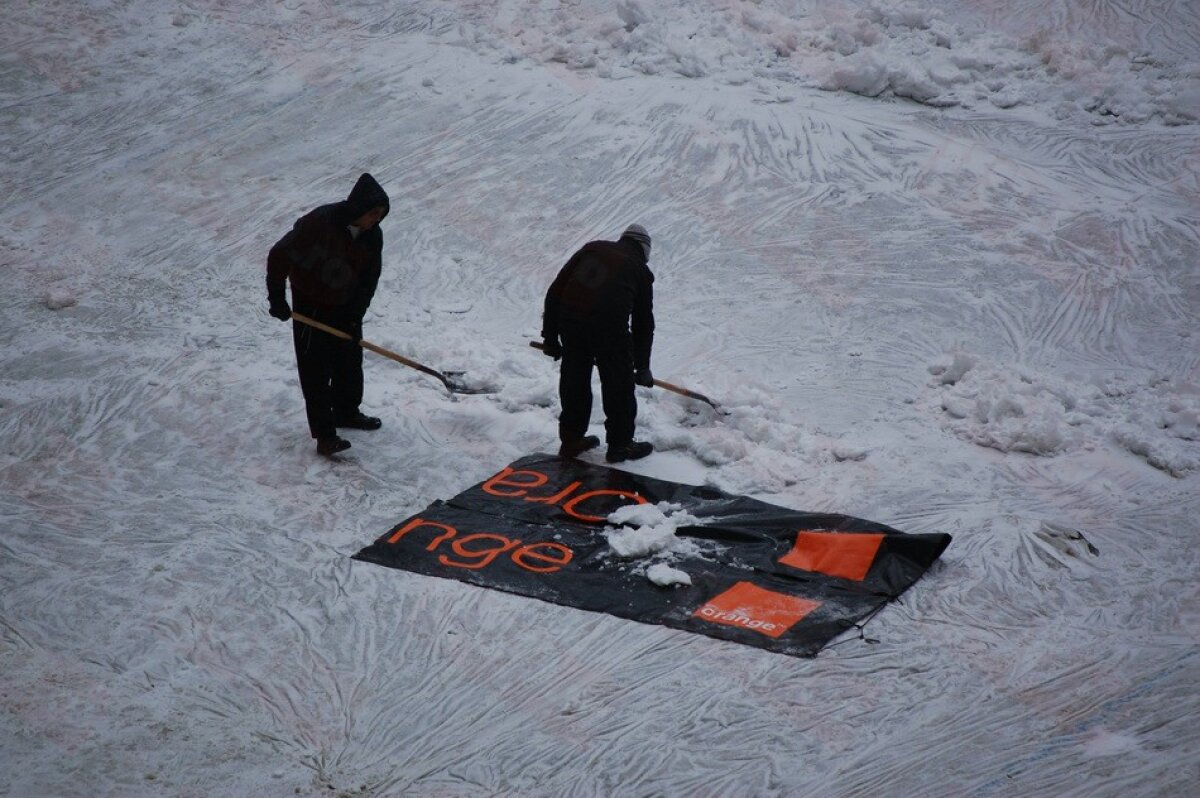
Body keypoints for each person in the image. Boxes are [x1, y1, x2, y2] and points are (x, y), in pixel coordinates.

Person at [266, 173, 389, 457]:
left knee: (349, 360)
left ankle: (346, 411)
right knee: (315, 370)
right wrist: (277, 298)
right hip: (311, 305)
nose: (376, 220)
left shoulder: (373, 236)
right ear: (359, 208)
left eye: (380, 216)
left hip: (346, 305)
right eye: (373, 214)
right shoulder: (317, 223)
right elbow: (279, 254)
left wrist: (356, 314)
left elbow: (370, 278)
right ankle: (324, 436)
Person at [541, 223, 656, 463]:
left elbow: (555, 292)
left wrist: (550, 337)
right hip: (610, 329)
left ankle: (571, 440)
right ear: (644, 250)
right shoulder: (639, 270)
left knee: (575, 378)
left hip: (571, 322)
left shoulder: (591, 249)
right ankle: (620, 446)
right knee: (619, 384)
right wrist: (641, 367)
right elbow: (643, 324)